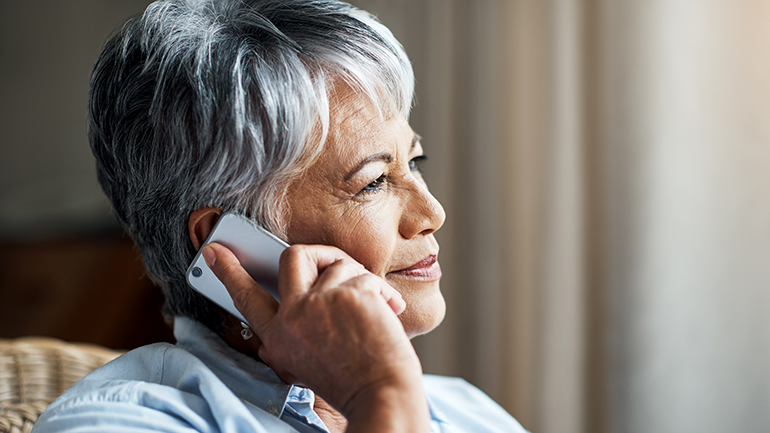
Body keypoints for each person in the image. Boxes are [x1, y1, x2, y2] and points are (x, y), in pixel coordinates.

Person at [33, 0, 528, 432]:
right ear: (230, 247)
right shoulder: (120, 421)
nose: (432, 213)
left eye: (414, 162)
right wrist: (381, 395)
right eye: (374, 181)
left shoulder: (463, 409)